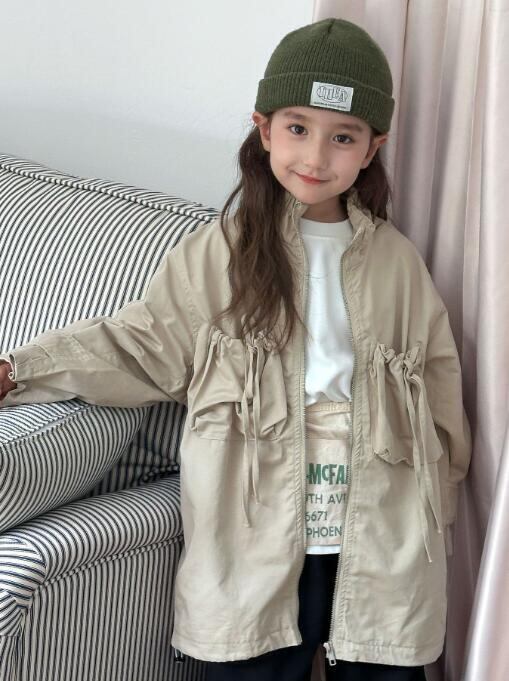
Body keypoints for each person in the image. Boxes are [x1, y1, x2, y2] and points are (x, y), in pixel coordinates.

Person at [0, 17, 472, 681]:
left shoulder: (398, 263)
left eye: (343, 137)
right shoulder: (221, 251)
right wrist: (21, 369)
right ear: (264, 128)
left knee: (384, 661)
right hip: (254, 532)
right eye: (298, 128)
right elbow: (143, 344)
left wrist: (439, 498)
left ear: (372, 149)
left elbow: (438, 386)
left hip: (380, 531)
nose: (316, 156)